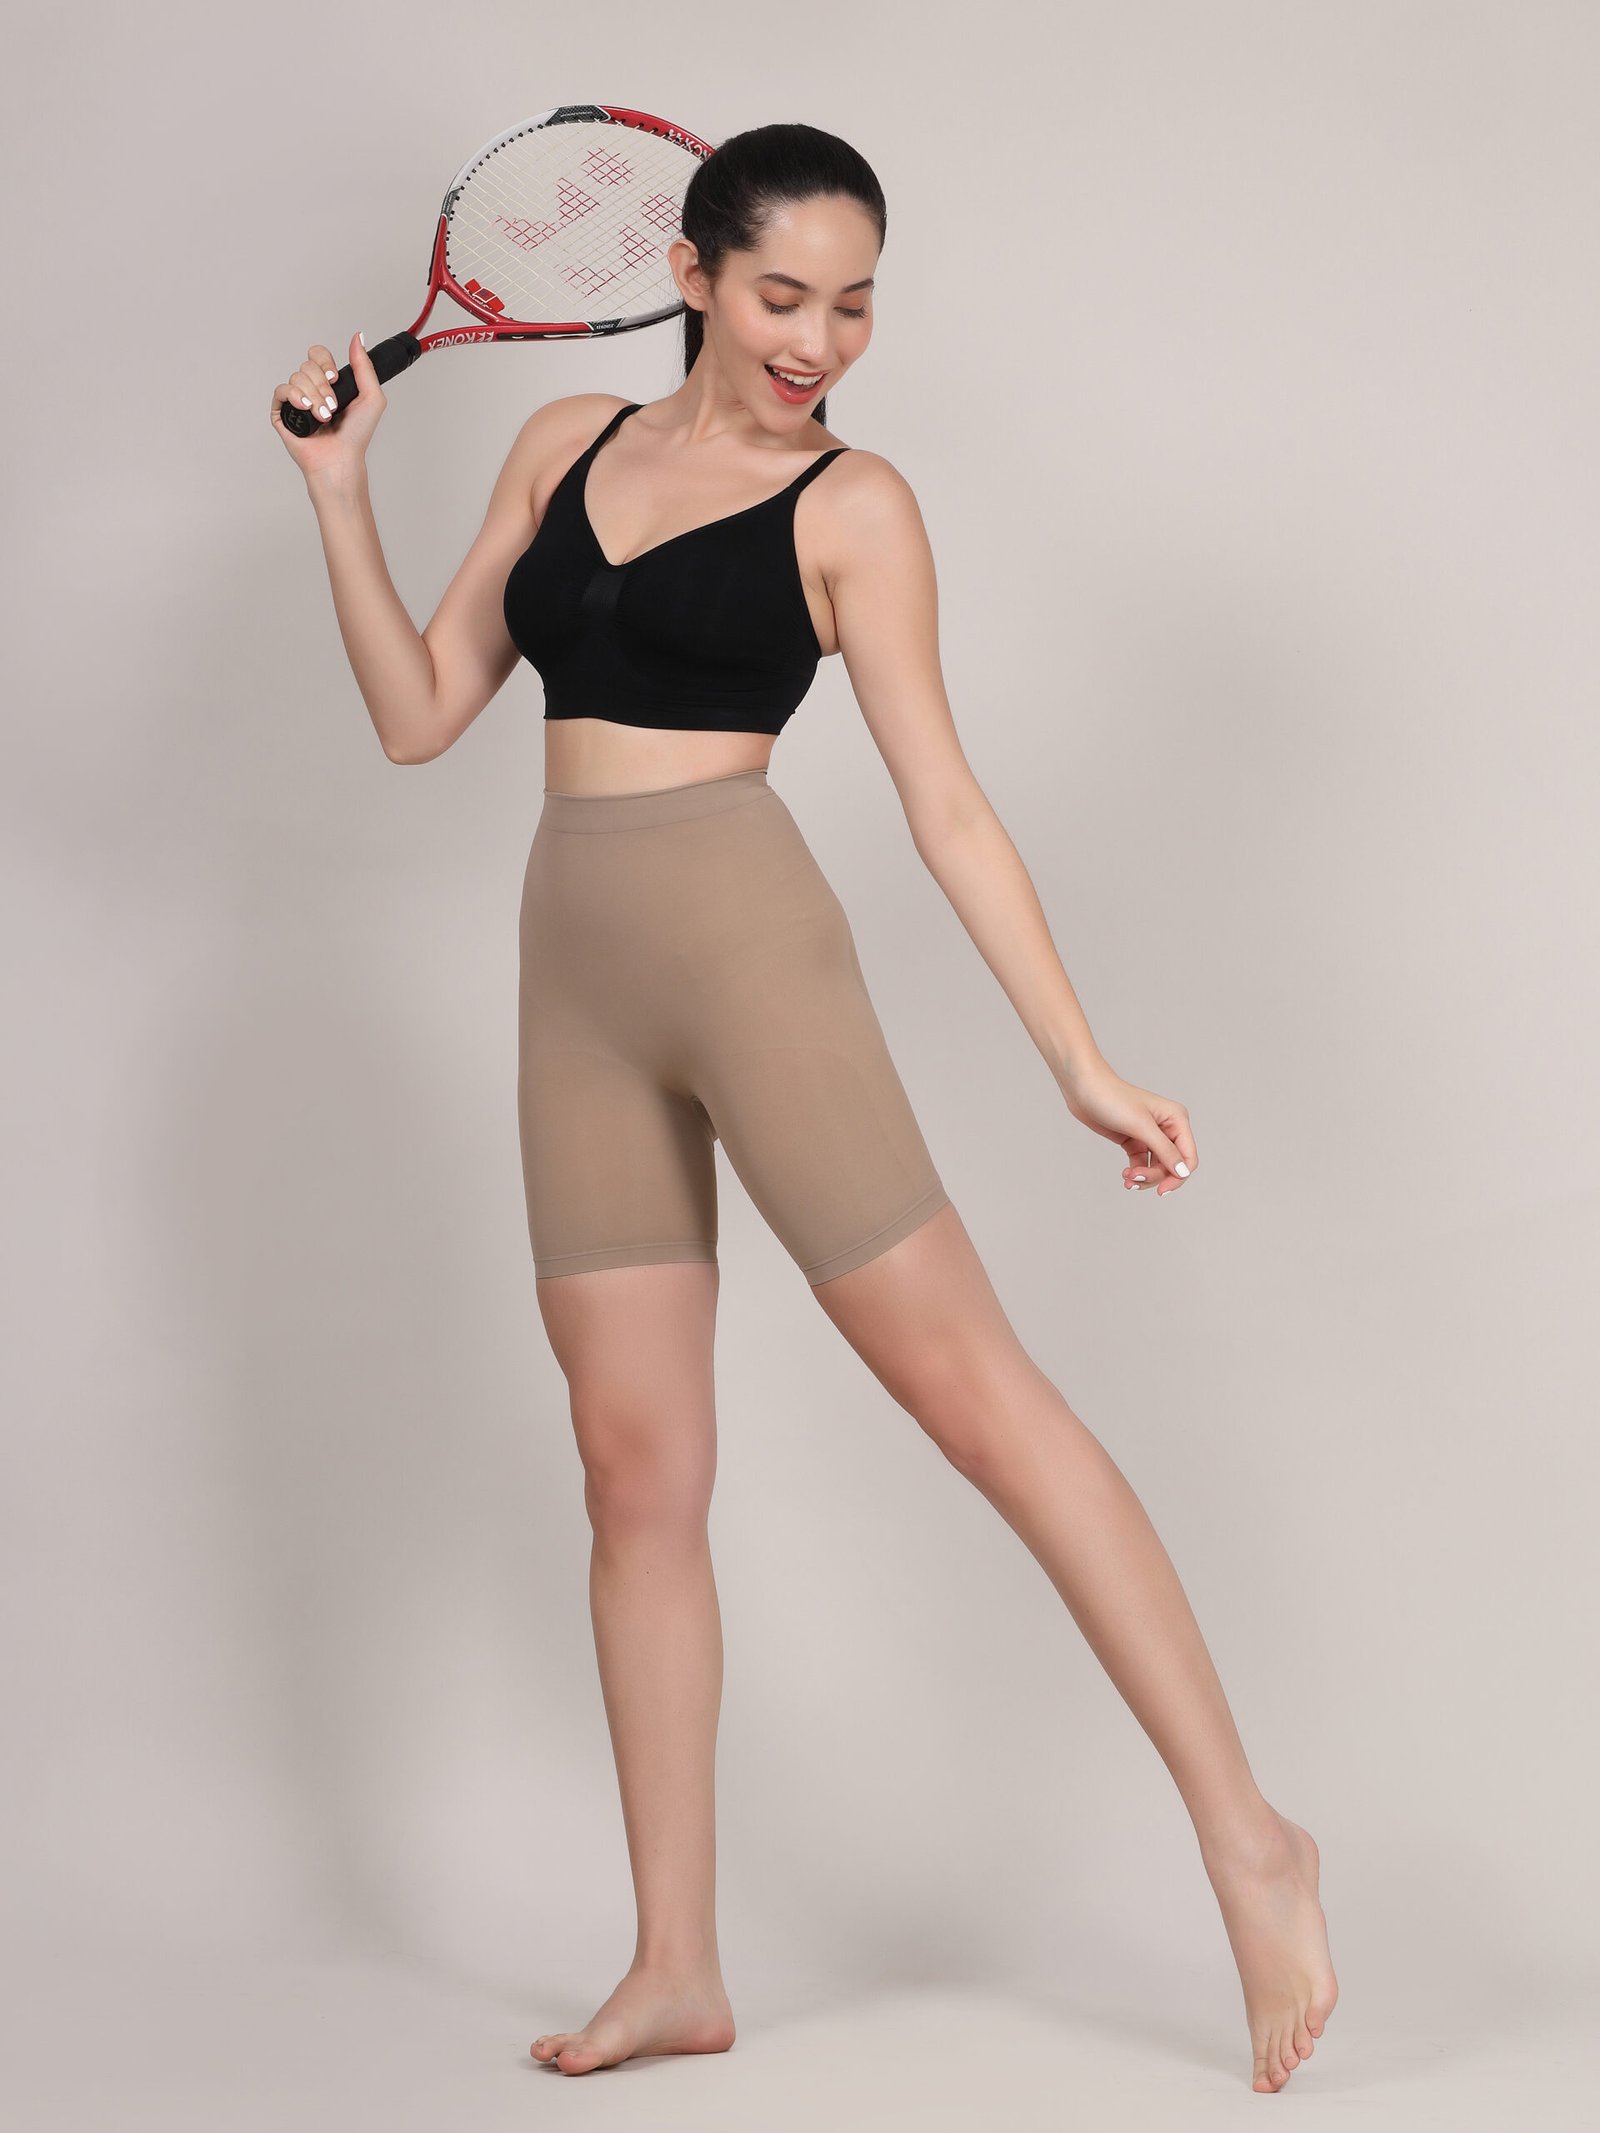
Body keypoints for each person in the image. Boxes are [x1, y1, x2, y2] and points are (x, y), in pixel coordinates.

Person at [271, 120, 1336, 2094]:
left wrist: (1078, 1059)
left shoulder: (856, 508)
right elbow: (421, 713)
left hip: (757, 967)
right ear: (687, 273)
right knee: (632, 1473)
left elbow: (948, 805)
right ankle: (674, 1961)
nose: (818, 341)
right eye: (782, 295)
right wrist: (339, 494)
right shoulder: (561, 445)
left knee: (978, 1399)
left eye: (853, 306)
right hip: (571, 986)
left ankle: (1250, 1838)